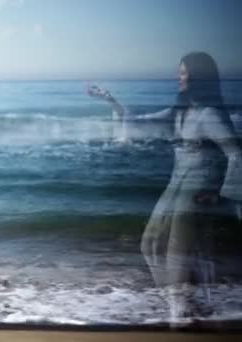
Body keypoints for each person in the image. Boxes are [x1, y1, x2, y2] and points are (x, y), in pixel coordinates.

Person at [88, 52, 242, 320]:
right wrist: (112, 102)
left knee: (175, 252)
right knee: (149, 244)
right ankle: (183, 303)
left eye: (183, 73)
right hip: (176, 183)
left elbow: (236, 153)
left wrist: (221, 195)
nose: (178, 77)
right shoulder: (180, 112)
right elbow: (139, 123)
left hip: (197, 187)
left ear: (198, 78)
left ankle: (181, 312)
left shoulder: (210, 115)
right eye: (179, 72)